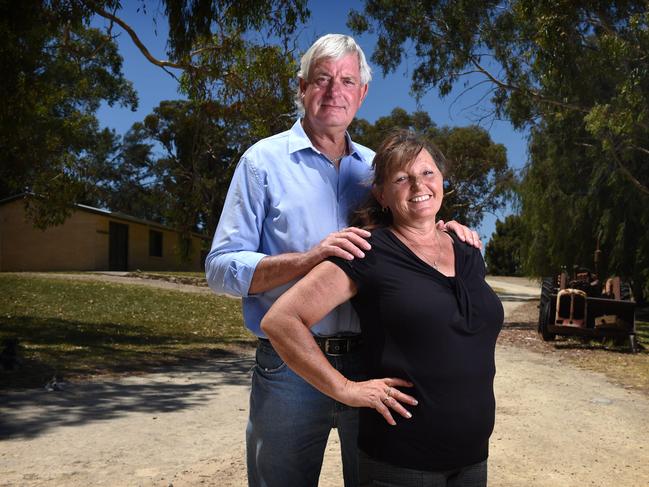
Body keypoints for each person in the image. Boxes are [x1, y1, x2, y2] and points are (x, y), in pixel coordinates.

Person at [205, 34, 481, 487]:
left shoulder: (378, 169)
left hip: (375, 365)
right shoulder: (262, 163)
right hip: (289, 367)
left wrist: (450, 232)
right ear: (302, 87)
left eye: (347, 80)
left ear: (362, 93)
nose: (335, 91)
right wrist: (308, 259)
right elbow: (219, 269)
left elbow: (413, 228)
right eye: (322, 79)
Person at [260, 130, 503, 487]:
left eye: (427, 173)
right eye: (402, 178)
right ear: (382, 194)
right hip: (402, 463)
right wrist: (345, 389)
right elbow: (281, 320)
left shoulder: (466, 248)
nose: (418, 185)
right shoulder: (369, 251)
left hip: (471, 460)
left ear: (442, 181)